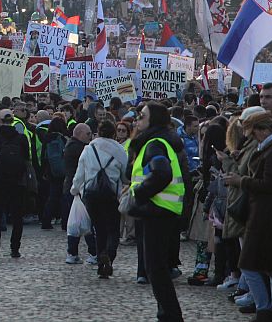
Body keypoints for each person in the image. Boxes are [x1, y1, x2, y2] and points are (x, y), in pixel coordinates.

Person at [224, 111, 272, 319]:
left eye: (253, 133)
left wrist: (240, 181)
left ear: (262, 130)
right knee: (270, 264)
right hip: (262, 211)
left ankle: (266, 308)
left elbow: (269, 184)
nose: (251, 138)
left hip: (266, 213)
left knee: (250, 263)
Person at [128, 103, 186, 322]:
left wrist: (139, 195)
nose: (137, 119)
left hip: (157, 209)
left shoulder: (154, 143)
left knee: (156, 269)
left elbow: (162, 173)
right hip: (162, 210)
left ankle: (170, 316)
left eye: (142, 116)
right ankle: (167, 314)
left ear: (155, 120)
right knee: (157, 268)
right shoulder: (158, 141)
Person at [71, 120, 128, 279]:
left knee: (99, 229)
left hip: (92, 194)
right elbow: (125, 176)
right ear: (114, 133)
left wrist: (74, 189)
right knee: (113, 229)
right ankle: (109, 255)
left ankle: (101, 258)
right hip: (111, 194)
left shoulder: (88, 149)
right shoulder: (120, 150)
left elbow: (80, 173)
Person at [0, 109, 30, 259]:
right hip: (18, 181)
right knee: (17, 217)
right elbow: (26, 158)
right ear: (12, 120)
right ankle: (15, 248)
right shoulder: (21, 138)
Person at [64, 122, 97, 264]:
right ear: (79, 134)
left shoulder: (73, 146)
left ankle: (73, 253)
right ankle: (92, 252)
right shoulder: (78, 148)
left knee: (78, 223)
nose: (91, 136)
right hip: (77, 189)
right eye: (88, 134)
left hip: (75, 188)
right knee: (84, 222)